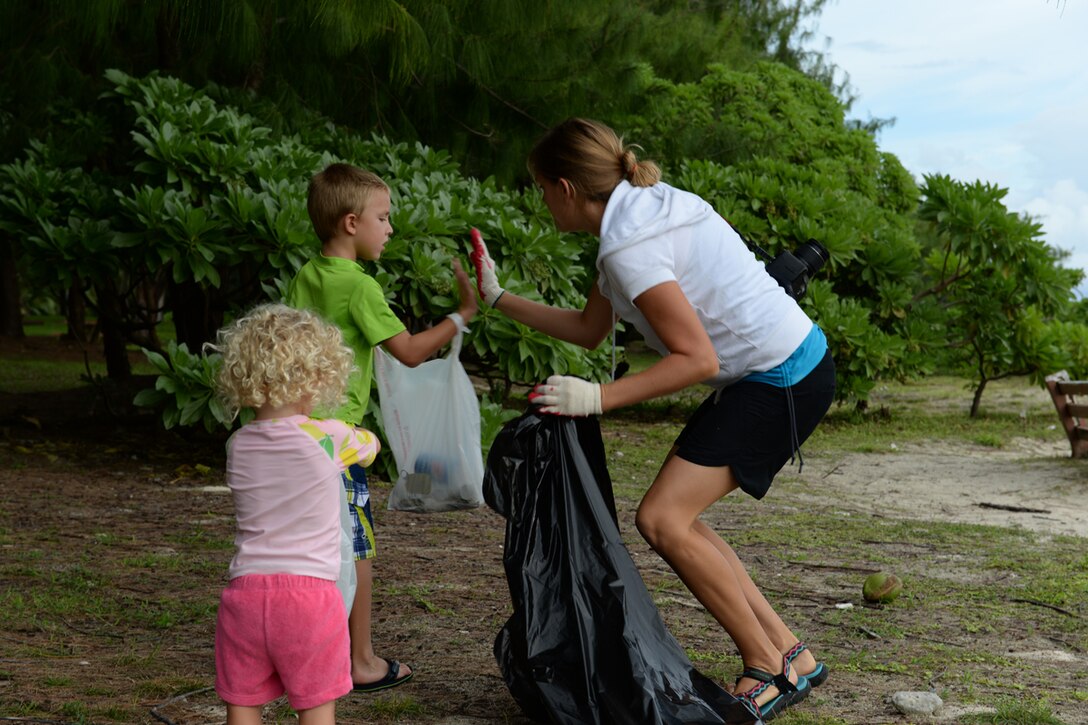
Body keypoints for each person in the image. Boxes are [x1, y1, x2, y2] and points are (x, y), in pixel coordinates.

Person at [470, 118, 835, 722]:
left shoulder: (628, 243)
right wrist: (499, 298)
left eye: (539, 187)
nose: (540, 200)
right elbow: (591, 331)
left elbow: (697, 358)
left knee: (664, 519)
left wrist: (597, 399)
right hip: (779, 368)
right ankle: (791, 654)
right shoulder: (637, 215)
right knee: (677, 517)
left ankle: (767, 667)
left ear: (564, 186)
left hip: (781, 377)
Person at [287, 162, 478, 692]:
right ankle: (360, 660)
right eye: (383, 217)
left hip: (297, 430)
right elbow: (412, 353)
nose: (389, 228)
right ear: (351, 222)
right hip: (339, 441)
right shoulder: (360, 287)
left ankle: (307, 646)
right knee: (358, 547)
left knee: (311, 545)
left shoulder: (306, 275)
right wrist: (463, 314)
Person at [209, 303, 381, 724]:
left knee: (243, 709)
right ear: (316, 376)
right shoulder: (329, 437)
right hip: (310, 600)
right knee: (316, 711)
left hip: (244, 596)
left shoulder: (238, 446)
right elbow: (371, 446)